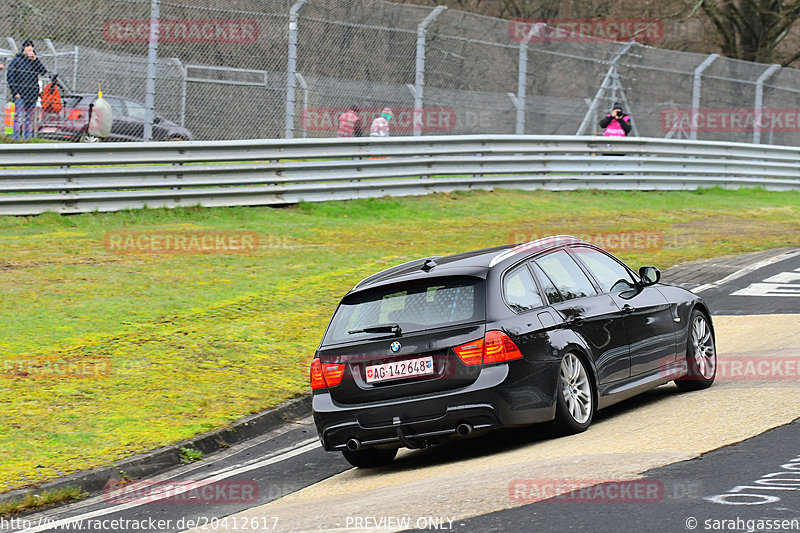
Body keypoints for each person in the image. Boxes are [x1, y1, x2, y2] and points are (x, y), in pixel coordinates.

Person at [6, 39, 47, 140]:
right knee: (18, 118)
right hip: (20, 94)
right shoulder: (16, 61)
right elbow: (10, 77)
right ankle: (15, 139)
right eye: (27, 47)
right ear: (23, 48)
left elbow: (43, 72)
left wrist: (35, 60)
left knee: (29, 119)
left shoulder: (34, 61)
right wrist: (15, 92)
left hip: (32, 95)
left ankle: (27, 139)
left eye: (31, 48)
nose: (29, 50)